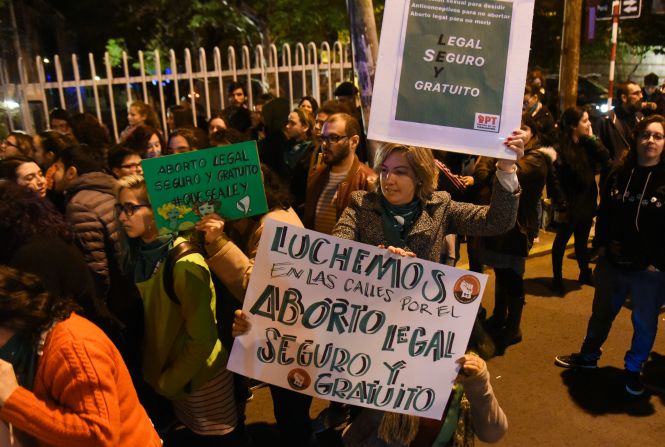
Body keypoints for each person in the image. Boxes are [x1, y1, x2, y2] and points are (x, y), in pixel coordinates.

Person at [329, 137, 521, 445]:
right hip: (372, 334)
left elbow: (497, 220)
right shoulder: (360, 204)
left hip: (424, 333)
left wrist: (507, 167)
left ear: (420, 176)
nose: (388, 179)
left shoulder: (441, 206)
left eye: (400, 172)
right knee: (372, 417)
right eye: (385, 170)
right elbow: (338, 250)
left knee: (425, 420)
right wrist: (373, 261)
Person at [116, 175, 241, 445]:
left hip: (200, 381)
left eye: (131, 208)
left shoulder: (185, 262)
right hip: (174, 378)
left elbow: (203, 339)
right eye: (119, 209)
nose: (122, 216)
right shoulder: (139, 252)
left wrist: (169, 382)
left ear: (157, 208)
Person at [195, 165, 315, 446]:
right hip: (279, 335)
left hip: (290, 340)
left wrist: (219, 242)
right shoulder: (256, 216)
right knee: (289, 411)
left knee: (293, 414)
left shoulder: (275, 223)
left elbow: (258, 289)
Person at [555, 114, 665, 397]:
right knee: (601, 315)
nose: (650, 140)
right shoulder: (619, 172)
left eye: (658, 136)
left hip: (648, 271)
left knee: (644, 323)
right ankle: (588, 357)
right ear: (636, 139)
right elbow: (604, 213)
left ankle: (633, 370)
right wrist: (601, 246)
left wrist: (659, 262)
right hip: (612, 263)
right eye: (645, 135)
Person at [0, 265, 162, 447]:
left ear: (15, 318)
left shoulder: (72, 348)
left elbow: (99, 435)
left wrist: (12, 399)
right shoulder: (32, 346)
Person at [477, 113, 560, 352]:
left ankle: (514, 327)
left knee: (511, 275)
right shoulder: (515, 156)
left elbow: (492, 179)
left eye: (524, 128)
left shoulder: (534, 160)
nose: (518, 132)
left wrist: (485, 158)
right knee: (503, 273)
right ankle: (499, 316)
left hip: (518, 228)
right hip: (506, 226)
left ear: (532, 133)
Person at [550, 107, 610, 295]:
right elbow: (555, 178)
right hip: (570, 202)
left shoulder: (587, 143)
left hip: (587, 199)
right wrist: (561, 203)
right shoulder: (559, 147)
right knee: (561, 241)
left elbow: (606, 158)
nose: (589, 124)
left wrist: (592, 138)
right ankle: (557, 278)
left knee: (582, 240)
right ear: (572, 125)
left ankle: (584, 273)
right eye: (584, 121)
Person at [304, 112, 375, 235]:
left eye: (333, 138)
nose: (324, 145)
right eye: (323, 138)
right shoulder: (316, 176)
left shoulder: (369, 181)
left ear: (354, 141)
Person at [596, 81, 643, 165]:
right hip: (614, 174)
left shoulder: (640, 118)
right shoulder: (606, 120)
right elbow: (599, 151)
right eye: (636, 93)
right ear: (624, 97)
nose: (641, 96)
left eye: (641, 93)